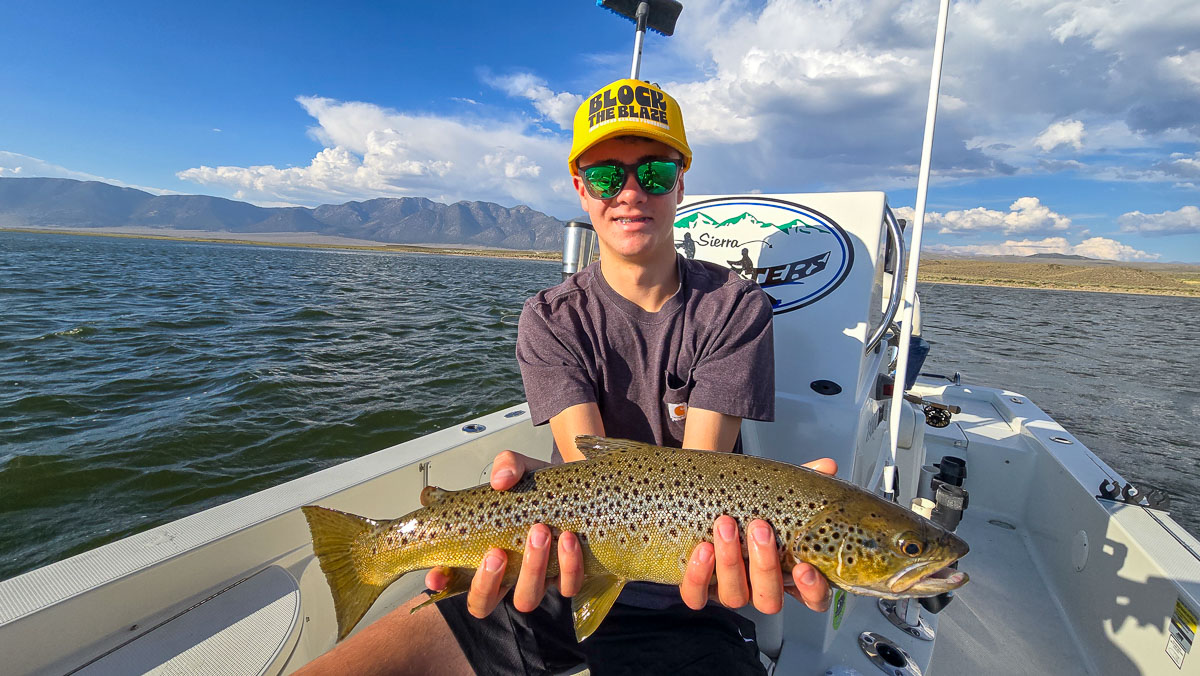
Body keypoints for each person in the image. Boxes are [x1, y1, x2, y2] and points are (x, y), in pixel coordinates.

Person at [297, 79, 833, 676]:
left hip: (687, 596)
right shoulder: (549, 317)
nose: (630, 193)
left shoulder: (735, 308)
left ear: (680, 180)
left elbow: (701, 491)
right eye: (606, 176)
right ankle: (371, 553)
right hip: (551, 577)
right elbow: (586, 472)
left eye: (652, 172)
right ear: (581, 189)